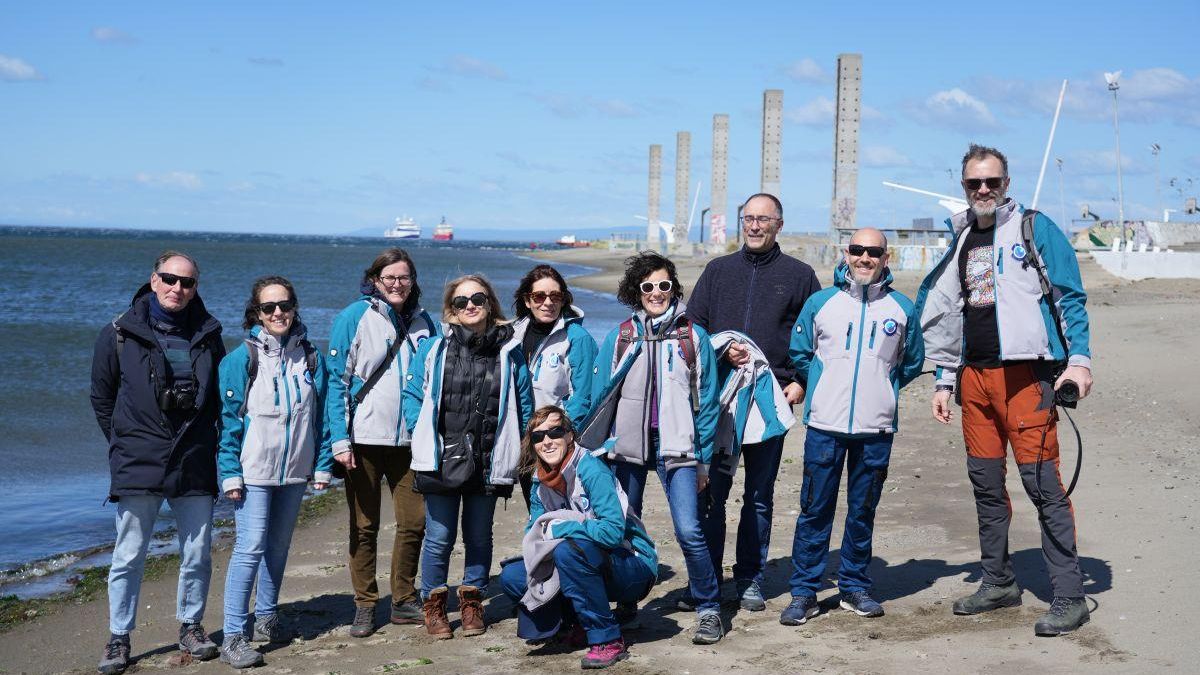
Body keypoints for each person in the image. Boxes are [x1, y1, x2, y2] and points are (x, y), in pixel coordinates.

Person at [916, 144, 1093, 636]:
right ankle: (997, 581)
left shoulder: (1035, 229)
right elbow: (951, 312)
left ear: (1007, 183)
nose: (984, 190)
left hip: (1026, 378)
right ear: (964, 188)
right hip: (974, 380)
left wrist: (1078, 363)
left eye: (992, 181)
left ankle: (1069, 594)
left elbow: (1069, 297)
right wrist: (944, 377)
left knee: (1043, 486)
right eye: (975, 183)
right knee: (986, 485)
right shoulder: (962, 237)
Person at [779, 228, 924, 626]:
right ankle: (804, 592)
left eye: (873, 251)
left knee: (863, 511)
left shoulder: (901, 308)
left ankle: (855, 586)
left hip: (875, 429)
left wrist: (885, 389)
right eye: (858, 249)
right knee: (814, 511)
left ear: (885, 257)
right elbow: (800, 352)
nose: (864, 257)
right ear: (847, 253)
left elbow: (911, 362)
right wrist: (824, 384)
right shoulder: (821, 303)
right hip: (825, 425)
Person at [90, 251, 226, 675]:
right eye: (169, 279)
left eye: (186, 282)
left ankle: (191, 626)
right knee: (129, 554)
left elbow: (219, 396)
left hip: (194, 457)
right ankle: (119, 637)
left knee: (197, 552)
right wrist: (124, 442)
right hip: (139, 458)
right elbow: (102, 397)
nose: (177, 288)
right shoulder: (118, 333)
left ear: (195, 288)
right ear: (153, 281)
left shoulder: (208, 332)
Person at [688, 192, 821, 611]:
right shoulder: (717, 271)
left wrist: (800, 382)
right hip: (719, 401)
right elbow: (692, 330)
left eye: (764, 219)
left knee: (759, 496)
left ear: (779, 224)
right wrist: (720, 351)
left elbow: (815, 339)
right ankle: (707, 580)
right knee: (711, 492)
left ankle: (749, 579)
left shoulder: (799, 275)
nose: (755, 226)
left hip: (770, 401)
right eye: (749, 218)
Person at [586, 251, 724, 645]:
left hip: (678, 446)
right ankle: (628, 602)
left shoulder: (692, 338)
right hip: (626, 446)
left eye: (664, 285)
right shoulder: (621, 336)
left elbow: (707, 403)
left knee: (689, 529)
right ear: (636, 292)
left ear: (674, 287)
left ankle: (708, 607)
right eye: (647, 287)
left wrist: (704, 461)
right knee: (624, 529)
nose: (657, 293)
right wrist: (597, 448)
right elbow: (601, 396)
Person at [403, 274, 533, 639]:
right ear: (451, 310)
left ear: (490, 302)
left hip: (489, 458)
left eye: (477, 298)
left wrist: (523, 447)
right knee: (439, 537)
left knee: (478, 536)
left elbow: (524, 404)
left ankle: (473, 601)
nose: (470, 306)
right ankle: (434, 605)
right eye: (461, 302)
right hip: (442, 458)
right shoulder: (433, 349)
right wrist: (421, 433)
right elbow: (412, 393)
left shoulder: (510, 351)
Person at [215, 276, 334, 668]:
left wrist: (321, 465)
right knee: (249, 548)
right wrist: (229, 473)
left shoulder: (311, 357)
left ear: (294, 307)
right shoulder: (240, 360)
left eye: (284, 305)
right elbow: (228, 423)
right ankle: (234, 634)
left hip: (295, 472)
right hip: (253, 474)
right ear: (257, 313)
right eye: (269, 308)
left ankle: (267, 617)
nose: (278, 313)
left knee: (279, 548)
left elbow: (321, 420)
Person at [325, 248, 440, 637]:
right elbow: (336, 383)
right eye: (388, 277)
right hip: (363, 440)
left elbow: (434, 378)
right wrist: (338, 440)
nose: (396, 284)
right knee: (364, 524)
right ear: (375, 279)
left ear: (413, 280)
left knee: (414, 522)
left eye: (403, 277)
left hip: (411, 443)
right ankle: (365, 604)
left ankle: (404, 599)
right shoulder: (354, 316)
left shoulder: (426, 322)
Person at [499, 406, 657, 670]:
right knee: (514, 576)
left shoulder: (592, 469)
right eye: (538, 437)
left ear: (570, 435)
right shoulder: (540, 481)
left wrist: (563, 527)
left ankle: (607, 638)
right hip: (585, 560)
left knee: (568, 551)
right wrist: (558, 531)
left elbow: (611, 533)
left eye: (555, 432)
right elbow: (533, 535)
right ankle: (575, 624)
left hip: (632, 565)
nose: (547, 441)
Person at [509, 264, 598, 507]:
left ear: (563, 300)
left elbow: (584, 397)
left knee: (566, 511)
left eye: (555, 296)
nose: (547, 302)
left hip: (558, 443)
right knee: (536, 510)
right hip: (524, 442)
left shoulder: (577, 338)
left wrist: (563, 438)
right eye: (539, 296)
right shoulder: (511, 336)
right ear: (527, 300)